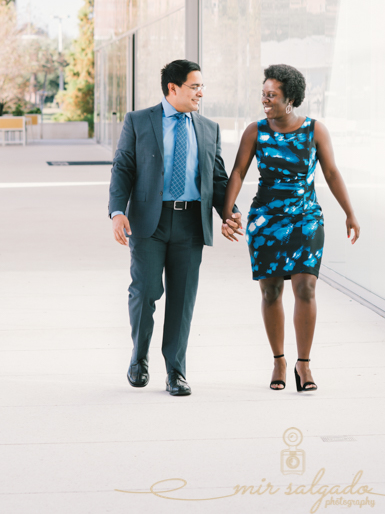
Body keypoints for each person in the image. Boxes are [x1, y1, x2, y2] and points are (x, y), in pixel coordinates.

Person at [221, 63, 360, 392]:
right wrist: (228, 211)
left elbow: (332, 173)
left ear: (291, 99)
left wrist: (349, 213)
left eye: (272, 95)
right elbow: (238, 172)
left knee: (306, 289)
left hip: (306, 218)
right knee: (271, 292)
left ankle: (304, 364)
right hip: (266, 220)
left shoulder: (315, 131)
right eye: (263, 94)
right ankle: (279, 360)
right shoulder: (255, 131)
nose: (266, 100)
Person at [108, 59, 241, 396]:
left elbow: (218, 179)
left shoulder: (209, 128)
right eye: (195, 86)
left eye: (202, 86)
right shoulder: (139, 122)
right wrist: (116, 212)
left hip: (190, 223)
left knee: (182, 300)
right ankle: (139, 358)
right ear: (173, 88)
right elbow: (123, 168)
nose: (201, 92)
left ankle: (176, 372)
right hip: (149, 222)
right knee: (146, 291)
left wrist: (230, 212)